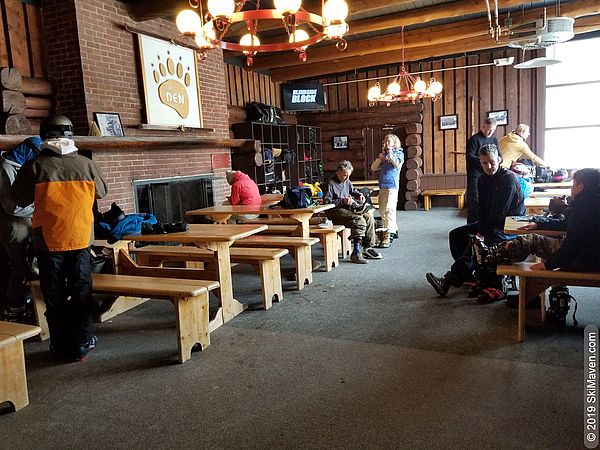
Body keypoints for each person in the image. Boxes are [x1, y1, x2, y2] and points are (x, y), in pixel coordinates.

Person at [12, 115, 108, 362]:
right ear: (70, 135)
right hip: (81, 238)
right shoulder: (86, 164)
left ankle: (60, 344)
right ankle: (84, 342)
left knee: (53, 293)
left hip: (48, 240)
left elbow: (19, 199)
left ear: (44, 136)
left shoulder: (35, 165)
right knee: (81, 290)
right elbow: (103, 192)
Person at [426, 144, 524, 297]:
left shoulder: (508, 178)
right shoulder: (482, 180)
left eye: (492, 162)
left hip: (510, 226)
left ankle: (451, 279)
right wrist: (480, 230)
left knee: (476, 242)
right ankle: (468, 275)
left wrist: (481, 234)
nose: (488, 166)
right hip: (494, 222)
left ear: (499, 159)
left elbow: (499, 212)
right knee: (456, 235)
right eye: (484, 163)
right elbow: (483, 209)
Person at [472, 168, 600, 273]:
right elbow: (566, 225)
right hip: (590, 256)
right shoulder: (591, 203)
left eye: (573, 184)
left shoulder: (583, 209)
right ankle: (494, 257)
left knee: (530, 241)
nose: (571, 188)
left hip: (584, 260)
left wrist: (548, 265)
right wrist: (539, 223)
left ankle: (489, 256)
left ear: (581, 186)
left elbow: (571, 245)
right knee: (538, 239)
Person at [0, 137, 42, 321]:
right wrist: (41, 206)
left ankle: (24, 306)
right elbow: (13, 206)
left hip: (26, 223)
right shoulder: (6, 168)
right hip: (14, 226)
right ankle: (14, 308)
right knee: (22, 269)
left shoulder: (21, 165)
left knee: (30, 266)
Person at [324, 160, 382, 264]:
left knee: (368, 218)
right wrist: (342, 201)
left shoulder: (347, 181)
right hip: (334, 212)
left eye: (348, 176)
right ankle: (356, 252)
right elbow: (327, 202)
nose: (347, 178)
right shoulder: (330, 183)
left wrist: (359, 195)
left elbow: (353, 190)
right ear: (338, 172)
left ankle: (367, 248)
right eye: (345, 175)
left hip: (346, 210)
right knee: (359, 220)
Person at [370, 133, 404, 247]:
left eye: (388, 141)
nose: (386, 143)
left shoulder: (399, 154)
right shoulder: (383, 156)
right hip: (383, 185)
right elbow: (373, 168)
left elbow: (397, 165)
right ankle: (393, 230)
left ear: (394, 143)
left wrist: (390, 155)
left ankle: (387, 236)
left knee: (389, 209)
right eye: (385, 141)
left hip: (392, 186)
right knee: (382, 210)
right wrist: (380, 159)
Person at [466, 117, 499, 223]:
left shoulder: (494, 140)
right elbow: (469, 157)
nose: (490, 132)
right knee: (474, 201)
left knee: (487, 200)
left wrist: (499, 160)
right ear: (483, 127)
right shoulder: (474, 139)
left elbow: (500, 155)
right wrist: (485, 160)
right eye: (488, 129)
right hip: (475, 174)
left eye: (492, 130)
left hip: (489, 174)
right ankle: (471, 227)